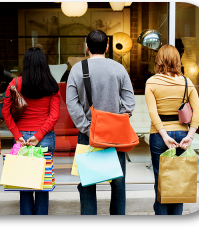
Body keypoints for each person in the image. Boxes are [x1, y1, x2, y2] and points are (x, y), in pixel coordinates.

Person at [66, 30, 136, 215]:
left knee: (88, 184)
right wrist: (115, 124)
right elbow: (129, 103)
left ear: (86, 47)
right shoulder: (119, 69)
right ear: (107, 47)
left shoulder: (76, 69)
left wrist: (88, 128)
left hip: (88, 135)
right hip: (116, 136)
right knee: (118, 184)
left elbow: (71, 104)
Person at [2, 47, 60, 215]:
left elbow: (5, 112)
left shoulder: (15, 83)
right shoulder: (52, 85)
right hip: (44, 138)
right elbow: (54, 115)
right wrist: (39, 135)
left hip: (21, 139)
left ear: (25, 63)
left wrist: (17, 135)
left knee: (24, 182)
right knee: (43, 183)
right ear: (44, 63)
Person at [145, 44, 199, 215]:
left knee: (160, 180)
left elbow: (152, 113)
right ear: (178, 60)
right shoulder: (186, 82)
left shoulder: (152, 81)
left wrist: (164, 135)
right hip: (182, 135)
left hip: (159, 136)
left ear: (158, 61)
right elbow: (197, 110)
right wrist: (190, 135)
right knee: (179, 181)